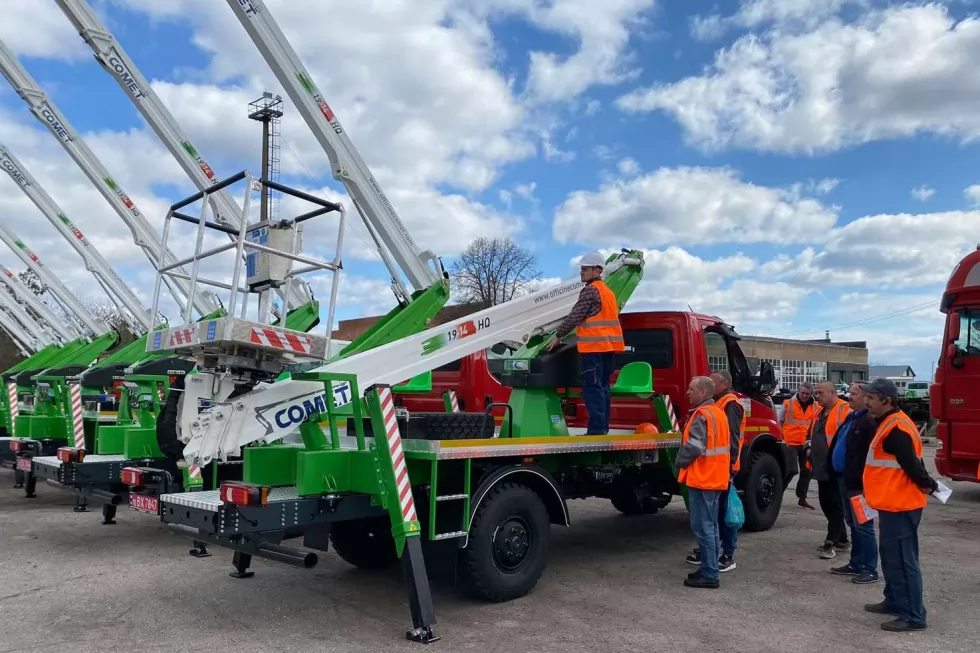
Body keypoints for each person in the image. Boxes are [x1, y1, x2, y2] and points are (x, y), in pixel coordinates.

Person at [860, 378, 938, 632]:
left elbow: (913, 466)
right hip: (891, 503)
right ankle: (894, 600)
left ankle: (914, 615)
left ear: (887, 401)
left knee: (904, 561)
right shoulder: (889, 423)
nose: (867, 402)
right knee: (892, 557)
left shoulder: (896, 429)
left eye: (871, 398)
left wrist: (929, 484)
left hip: (902, 505)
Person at [547, 252, 625, 434]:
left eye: (585, 269)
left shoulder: (590, 290)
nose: (581, 272)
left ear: (597, 270)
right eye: (581, 269)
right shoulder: (608, 293)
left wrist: (558, 335)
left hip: (594, 349)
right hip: (608, 348)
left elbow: (575, 315)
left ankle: (597, 430)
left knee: (592, 388)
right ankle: (602, 428)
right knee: (603, 388)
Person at [685, 370, 744, 572]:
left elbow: (732, 440)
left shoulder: (730, 405)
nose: (712, 382)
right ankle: (712, 555)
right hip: (716, 470)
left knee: (722, 517)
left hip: (720, 471)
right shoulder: (718, 406)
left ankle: (726, 555)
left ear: (725, 383)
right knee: (714, 518)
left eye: (714, 381)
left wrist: (729, 468)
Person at [676, 376, 731, 589]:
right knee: (711, 526)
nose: (688, 392)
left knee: (703, 527)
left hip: (702, 479)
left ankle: (709, 573)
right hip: (714, 478)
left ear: (703, 393)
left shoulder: (702, 415)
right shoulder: (717, 413)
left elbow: (694, 447)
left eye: (691, 389)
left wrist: (679, 462)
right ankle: (710, 568)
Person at [829, 382, 879, 583]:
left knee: (863, 526)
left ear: (866, 398)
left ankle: (869, 568)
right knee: (854, 524)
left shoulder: (868, 421)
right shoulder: (853, 417)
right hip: (846, 481)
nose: (849, 396)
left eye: (854, 393)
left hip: (859, 484)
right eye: (849, 392)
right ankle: (856, 563)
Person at [809, 380, 852, 559]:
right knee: (826, 503)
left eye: (820, 393)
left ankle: (831, 541)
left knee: (835, 504)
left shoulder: (845, 411)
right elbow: (812, 434)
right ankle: (842, 539)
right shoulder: (819, 411)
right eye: (816, 393)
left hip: (837, 467)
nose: (816, 396)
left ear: (832, 392)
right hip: (821, 465)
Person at [782, 382, 817, 509]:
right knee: (791, 470)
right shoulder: (788, 403)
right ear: (798, 391)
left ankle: (802, 497)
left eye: (807, 394)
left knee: (807, 470)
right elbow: (779, 421)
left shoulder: (815, 406)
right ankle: (779, 492)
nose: (804, 396)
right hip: (789, 442)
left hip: (805, 443)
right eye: (802, 393)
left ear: (811, 394)